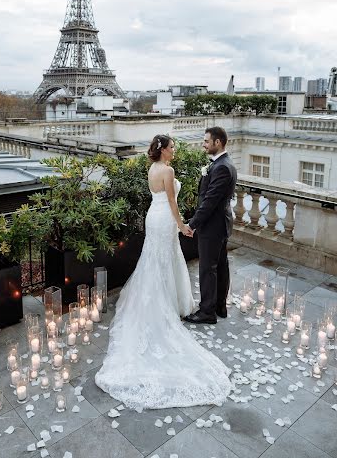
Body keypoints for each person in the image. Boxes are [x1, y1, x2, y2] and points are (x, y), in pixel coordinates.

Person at [95, 134, 231, 410]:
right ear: (164, 150)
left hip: (152, 217)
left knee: (154, 259)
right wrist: (183, 225)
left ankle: (162, 299)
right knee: (166, 259)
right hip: (165, 218)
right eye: (173, 147)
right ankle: (169, 303)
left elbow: (159, 198)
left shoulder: (151, 169)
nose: (175, 150)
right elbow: (172, 202)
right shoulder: (167, 171)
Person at [185, 127, 237, 325]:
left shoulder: (222, 167)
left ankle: (207, 312)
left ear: (218, 142)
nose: (204, 144)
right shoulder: (223, 163)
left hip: (213, 226)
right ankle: (219, 306)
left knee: (208, 269)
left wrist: (192, 224)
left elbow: (209, 201)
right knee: (220, 266)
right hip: (221, 224)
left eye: (206, 141)